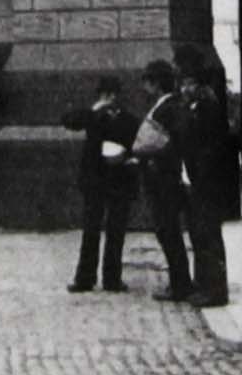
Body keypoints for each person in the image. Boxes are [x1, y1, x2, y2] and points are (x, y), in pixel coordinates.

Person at [61, 75, 138, 293]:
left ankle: (99, 278)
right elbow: (69, 120)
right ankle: (98, 279)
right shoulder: (100, 117)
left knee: (105, 230)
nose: (109, 99)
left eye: (109, 95)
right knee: (102, 230)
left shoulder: (119, 119)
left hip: (107, 180)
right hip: (106, 180)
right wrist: (96, 109)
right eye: (105, 95)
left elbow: (68, 119)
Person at [173, 44, 233, 307]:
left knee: (209, 235)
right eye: (182, 84)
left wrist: (200, 179)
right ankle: (204, 284)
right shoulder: (196, 105)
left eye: (188, 83)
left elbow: (210, 147)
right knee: (199, 233)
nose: (184, 89)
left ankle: (215, 289)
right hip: (198, 180)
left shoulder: (207, 106)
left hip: (207, 182)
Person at [133, 59, 191, 302]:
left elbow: (168, 142)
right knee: (167, 231)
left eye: (148, 81)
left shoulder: (167, 107)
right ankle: (180, 282)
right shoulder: (168, 104)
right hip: (160, 175)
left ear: (155, 83)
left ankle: (180, 284)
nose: (145, 86)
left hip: (163, 178)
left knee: (168, 230)